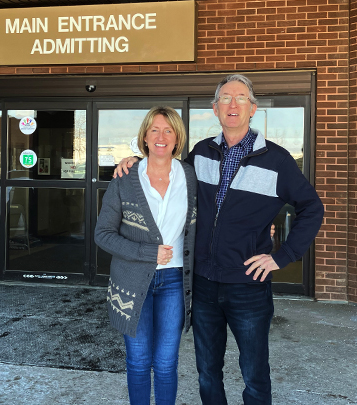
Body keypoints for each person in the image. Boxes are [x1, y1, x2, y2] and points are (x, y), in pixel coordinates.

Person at [115, 74, 324, 404]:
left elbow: (312, 207)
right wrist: (136, 162)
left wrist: (282, 256)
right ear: (214, 108)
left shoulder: (277, 160)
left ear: (252, 108)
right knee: (207, 372)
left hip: (248, 286)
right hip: (203, 284)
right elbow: (167, 173)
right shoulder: (201, 153)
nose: (233, 104)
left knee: (254, 374)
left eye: (241, 97)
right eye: (225, 98)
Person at [95, 106, 198, 405]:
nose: (161, 136)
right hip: (131, 281)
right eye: (154, 129)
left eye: (168, 130)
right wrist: (146, 252)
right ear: (144, 136)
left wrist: (261, 231)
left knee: (166, 365)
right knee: (138, 363)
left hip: (175, 281)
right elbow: (103, 234)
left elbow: (223, 209)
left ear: (177, 138)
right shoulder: (125, 178)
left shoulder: (191, 177)